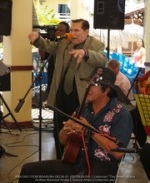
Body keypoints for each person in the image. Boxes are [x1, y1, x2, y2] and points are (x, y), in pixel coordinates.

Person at [19, 67, 133, 183]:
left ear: (106, 90)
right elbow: (63, 141)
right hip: (76, 162)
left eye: (93, 84)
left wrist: (88, 130)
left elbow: (118, 153)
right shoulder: (84, 108)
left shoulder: (121, 114)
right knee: (29, 171)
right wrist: (66, 129)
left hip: (103, 169)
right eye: (88, 83)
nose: (87, 87)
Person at [28, 19, 107, 159]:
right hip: (61, 92)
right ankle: (60, 159)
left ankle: (76, 162)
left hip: (80, 96)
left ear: (86, 31)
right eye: (71, 30)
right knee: (59, 130)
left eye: (77, 30)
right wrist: (37, 39)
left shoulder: (96, 44)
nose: (73, 34)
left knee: (76, 132)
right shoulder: (65, 43)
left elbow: (102, 60)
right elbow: (50, 46)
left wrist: (86, 53)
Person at [38, 22, 70, 102]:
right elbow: (43, 56)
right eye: (57, 30)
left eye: (61, 30)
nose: (58, 32)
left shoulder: (69, 45)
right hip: (52, 75)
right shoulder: (52, 42)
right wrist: (41, 43)